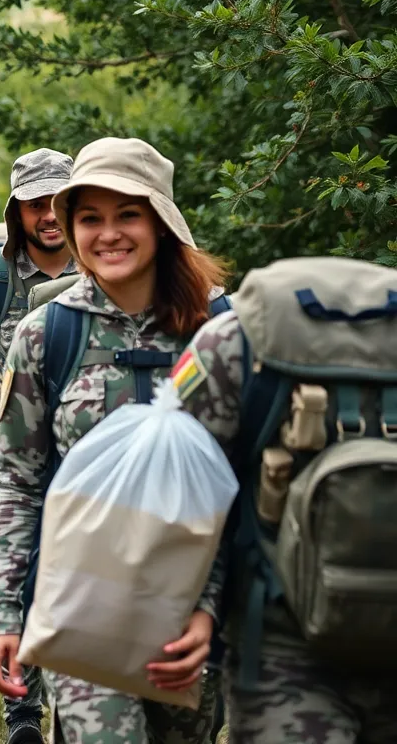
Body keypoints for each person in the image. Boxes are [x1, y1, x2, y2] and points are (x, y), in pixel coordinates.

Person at [0, 138, 227, 743]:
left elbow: (242, 483)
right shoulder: (47, 334)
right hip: (84, 601)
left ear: (161, 221)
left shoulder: (218, 333)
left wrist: (210, 610)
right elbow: (19, 484)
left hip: (188, 605)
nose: (108, 234)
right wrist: (2, 614)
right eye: (90, 217)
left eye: (128, 214)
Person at [170, 256, 397, 744]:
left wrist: (199, 606)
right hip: (281, 645)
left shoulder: (229, 344)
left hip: (277, 650)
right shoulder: (240, 343)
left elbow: (187, 502)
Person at [0, 148, 78, 743]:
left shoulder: (103, 270)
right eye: (34, 204)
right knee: (19, 566)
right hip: (6, 450)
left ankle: (76, 704)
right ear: (15, 212)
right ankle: (24, 710)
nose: (47, 215)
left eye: (57, 202)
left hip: (84, 448)